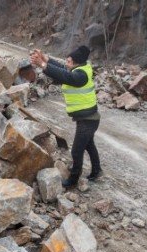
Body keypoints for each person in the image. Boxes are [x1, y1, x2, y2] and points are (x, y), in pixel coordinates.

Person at [30, 46, 101, 189]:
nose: (66, 63)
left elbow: (65, 75)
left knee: (76, 150)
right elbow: (63, 68)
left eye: (69, 61)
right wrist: (46, 59)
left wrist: (42, 65)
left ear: (76, 63)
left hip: (88, 120)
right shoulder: (79, 68)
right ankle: (97, 171)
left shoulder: (81, 75)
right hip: (88, 118)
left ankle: (73, 181)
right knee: (88, 144)